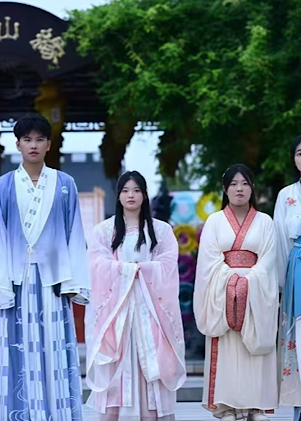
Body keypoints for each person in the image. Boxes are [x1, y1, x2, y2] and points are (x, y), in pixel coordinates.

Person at [0, 114, 90, 420]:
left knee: (54, 347)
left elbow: (74, 233)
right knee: (17, 348)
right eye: (27, 140)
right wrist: (0, 282)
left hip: (53, 279)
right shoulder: (3, 186)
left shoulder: (65, 184)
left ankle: (56, 413)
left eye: (40, 139)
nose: (34, 145)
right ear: (17, 145)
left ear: (49, 144)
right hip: (17, 279)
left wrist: (73, 280)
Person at [85, 170, 185, 421]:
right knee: (116, 364)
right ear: (118, 195)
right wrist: (129, 270)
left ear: (145, 195)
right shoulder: (103, 231)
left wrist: (141, 269)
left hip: (150, 309)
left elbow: (168, 263)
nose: (131, 195)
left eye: (137, 190)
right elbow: (97, 264)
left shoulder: (160, 230)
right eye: (125, 190)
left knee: (151, 361)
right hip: (117, 312)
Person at [194, 164, 278, 421]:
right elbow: (208, 259)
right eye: (233, 184)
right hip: (223, 293)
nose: (239, 189)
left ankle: (256, 406)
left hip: (256, 291)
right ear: (225, 189)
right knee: (227, 348)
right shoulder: (214, 221)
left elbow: (269, 259)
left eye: (244, 183)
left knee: (253, 348)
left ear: (252, 188)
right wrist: (232, 282)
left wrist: (248, 282)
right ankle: (225, 406)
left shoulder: (265, 222)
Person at [274, 134, 301, 421]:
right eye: (300, 153)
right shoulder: (286, 195)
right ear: (294, 160)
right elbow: (279, 241)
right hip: (299, 268)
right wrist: (281, 284)